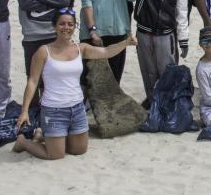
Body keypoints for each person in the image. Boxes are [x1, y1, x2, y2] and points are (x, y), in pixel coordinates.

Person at [14, 10, 134, 160]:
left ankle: (43, 135)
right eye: (62, 24)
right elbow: (32, 81)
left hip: (77, 108)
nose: (66, 27)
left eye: (70, 24)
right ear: (54, 26)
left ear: (75, 26)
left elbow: (106, 51)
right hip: (53, 110)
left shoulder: (81, 48)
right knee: (55, 155)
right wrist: (24, 111)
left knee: (79, 150)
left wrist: (126, 42)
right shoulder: (43, 52)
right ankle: (23, 142)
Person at [134, 0, 190, 104]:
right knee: (148, 71)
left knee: (167, 72)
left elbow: (182, 14)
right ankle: (152, 102)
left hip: (166, 34)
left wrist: (183, 40)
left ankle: (166, 104)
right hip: (143, 33)